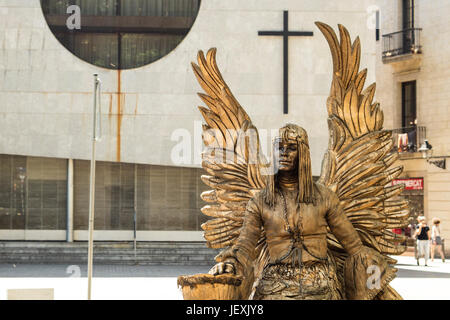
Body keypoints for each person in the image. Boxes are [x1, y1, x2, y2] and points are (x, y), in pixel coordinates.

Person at [210, 124, 390, 300]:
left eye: (291, 148)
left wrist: (377, 286)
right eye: (279, 147)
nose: (284, 153)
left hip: (321, 282)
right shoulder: (259, 202)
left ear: (303, 153)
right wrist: (230, 262)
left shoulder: (325, 197)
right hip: (275, 284)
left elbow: (354, 247)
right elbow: (245, 244)